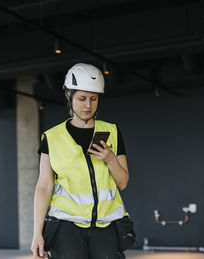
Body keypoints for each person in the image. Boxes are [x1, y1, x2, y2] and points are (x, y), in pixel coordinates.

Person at [31, 63, 130, 259]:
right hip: (66, 224)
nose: (88, 105)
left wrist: (110, 158)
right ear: (69, 95)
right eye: (82, 98)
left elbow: (123, 182)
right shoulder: (52, 137)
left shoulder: (112, 132)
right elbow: (44, 186)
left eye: (93, 99)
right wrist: (37, 233)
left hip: (107, 223)